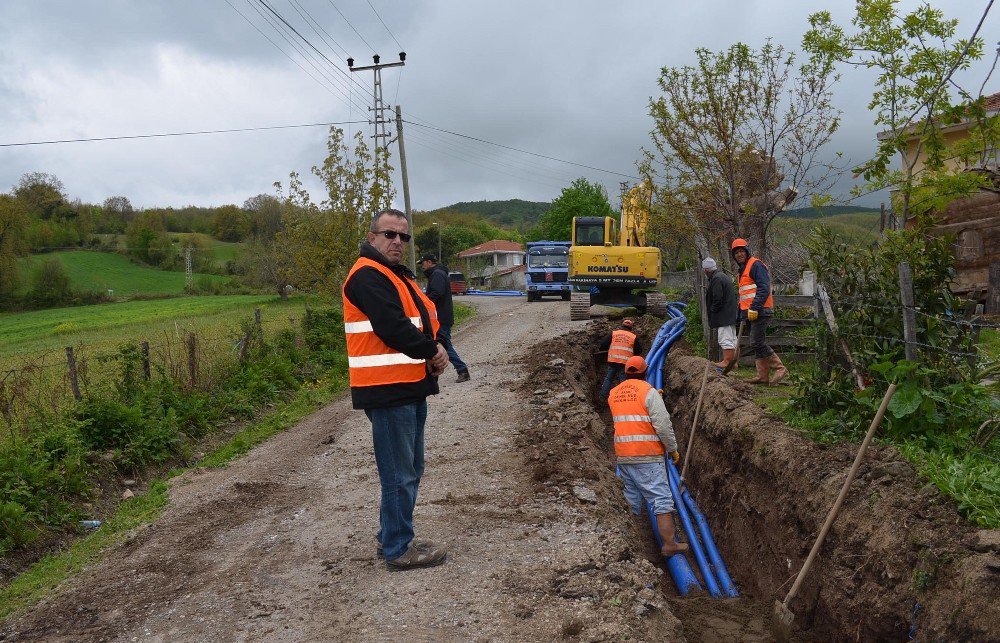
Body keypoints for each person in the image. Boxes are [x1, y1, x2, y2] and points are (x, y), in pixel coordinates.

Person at [342, 208, 451, 571]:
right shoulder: (368, 275)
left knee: (411, 468)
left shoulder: (393, 274)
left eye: (403, 237)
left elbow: (420, 319)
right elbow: (392, 326)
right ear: (372, 237)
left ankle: (392, 534)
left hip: (408, 385)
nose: (397, 242)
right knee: (399, 474)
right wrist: (431, 350)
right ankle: (397, 548)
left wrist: (434, 351)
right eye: (389, 234)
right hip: (387, 389)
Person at [608, 356, 689, 557]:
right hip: (647, 455)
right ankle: (669, 544)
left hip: (624, 456)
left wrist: (654, 399)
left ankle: (633, 545)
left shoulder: (614, 393)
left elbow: (632, 412)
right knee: (660, 499)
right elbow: (662, 425)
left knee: (631, 500)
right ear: (645, 372)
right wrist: (673, 449)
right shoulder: (649, 392)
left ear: (626, 373)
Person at [730, 238, 788, 385]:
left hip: (761, 310)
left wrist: (755, 307)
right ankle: (762, 376)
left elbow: (764, 288)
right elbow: (744, 295)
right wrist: (741, 315)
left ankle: (780, 368)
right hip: (750, 312)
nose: (739, 254)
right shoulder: (741, 271)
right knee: (756, 343)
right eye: (736, 253)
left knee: (756, 341)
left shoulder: (756, 265)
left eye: (741, 251)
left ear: (747, 251)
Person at [419, 253, 471, 383]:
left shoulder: (437, 274)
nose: (422, 266)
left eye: (423, 263)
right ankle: (435, 372)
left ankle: (462, 370)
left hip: (441, 318)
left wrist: (423, 305)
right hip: (441, 317)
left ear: (429, 262)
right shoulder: (438, 273)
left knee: (444, 346)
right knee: (441, 344)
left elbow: (437, 293)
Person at [702, 257, 739, 372]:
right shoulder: (722, 276)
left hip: (724, 315)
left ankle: (727, 361)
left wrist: (713, 310)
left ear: (706, 271)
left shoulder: (716, 279)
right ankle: (734, 363)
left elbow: (717, 298)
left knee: (725, 338)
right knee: (733, 339)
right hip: (730, 313)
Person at [598, 319, 643, 402]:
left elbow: (603, 344)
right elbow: (639, 351)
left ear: (622, 326)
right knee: (623, 381)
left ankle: (602, 397)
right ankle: (623, 399)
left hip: (613, 360)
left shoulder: (614, 333)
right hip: (625, 363)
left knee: (608, 378)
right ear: (631, 328)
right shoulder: (633, 337)